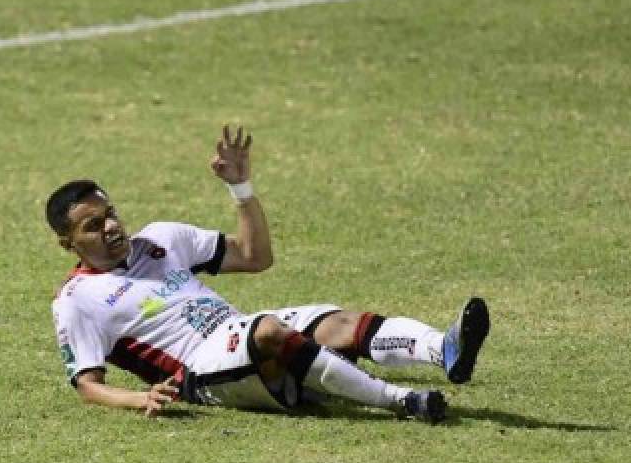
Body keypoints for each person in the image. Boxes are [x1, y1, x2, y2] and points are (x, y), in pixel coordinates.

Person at [47, 126, 490, 422]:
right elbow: (87, 384)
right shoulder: (77, 300)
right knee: (270, 333)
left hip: (235, 331)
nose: (110, 227)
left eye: (110, 214)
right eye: (92, 225)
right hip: (201, 371)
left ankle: (444, 350)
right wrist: (139, 397)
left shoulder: (161, 239)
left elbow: (255, 256)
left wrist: (240, 188)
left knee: (335, 322)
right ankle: (401, 401)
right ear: (68, 242)